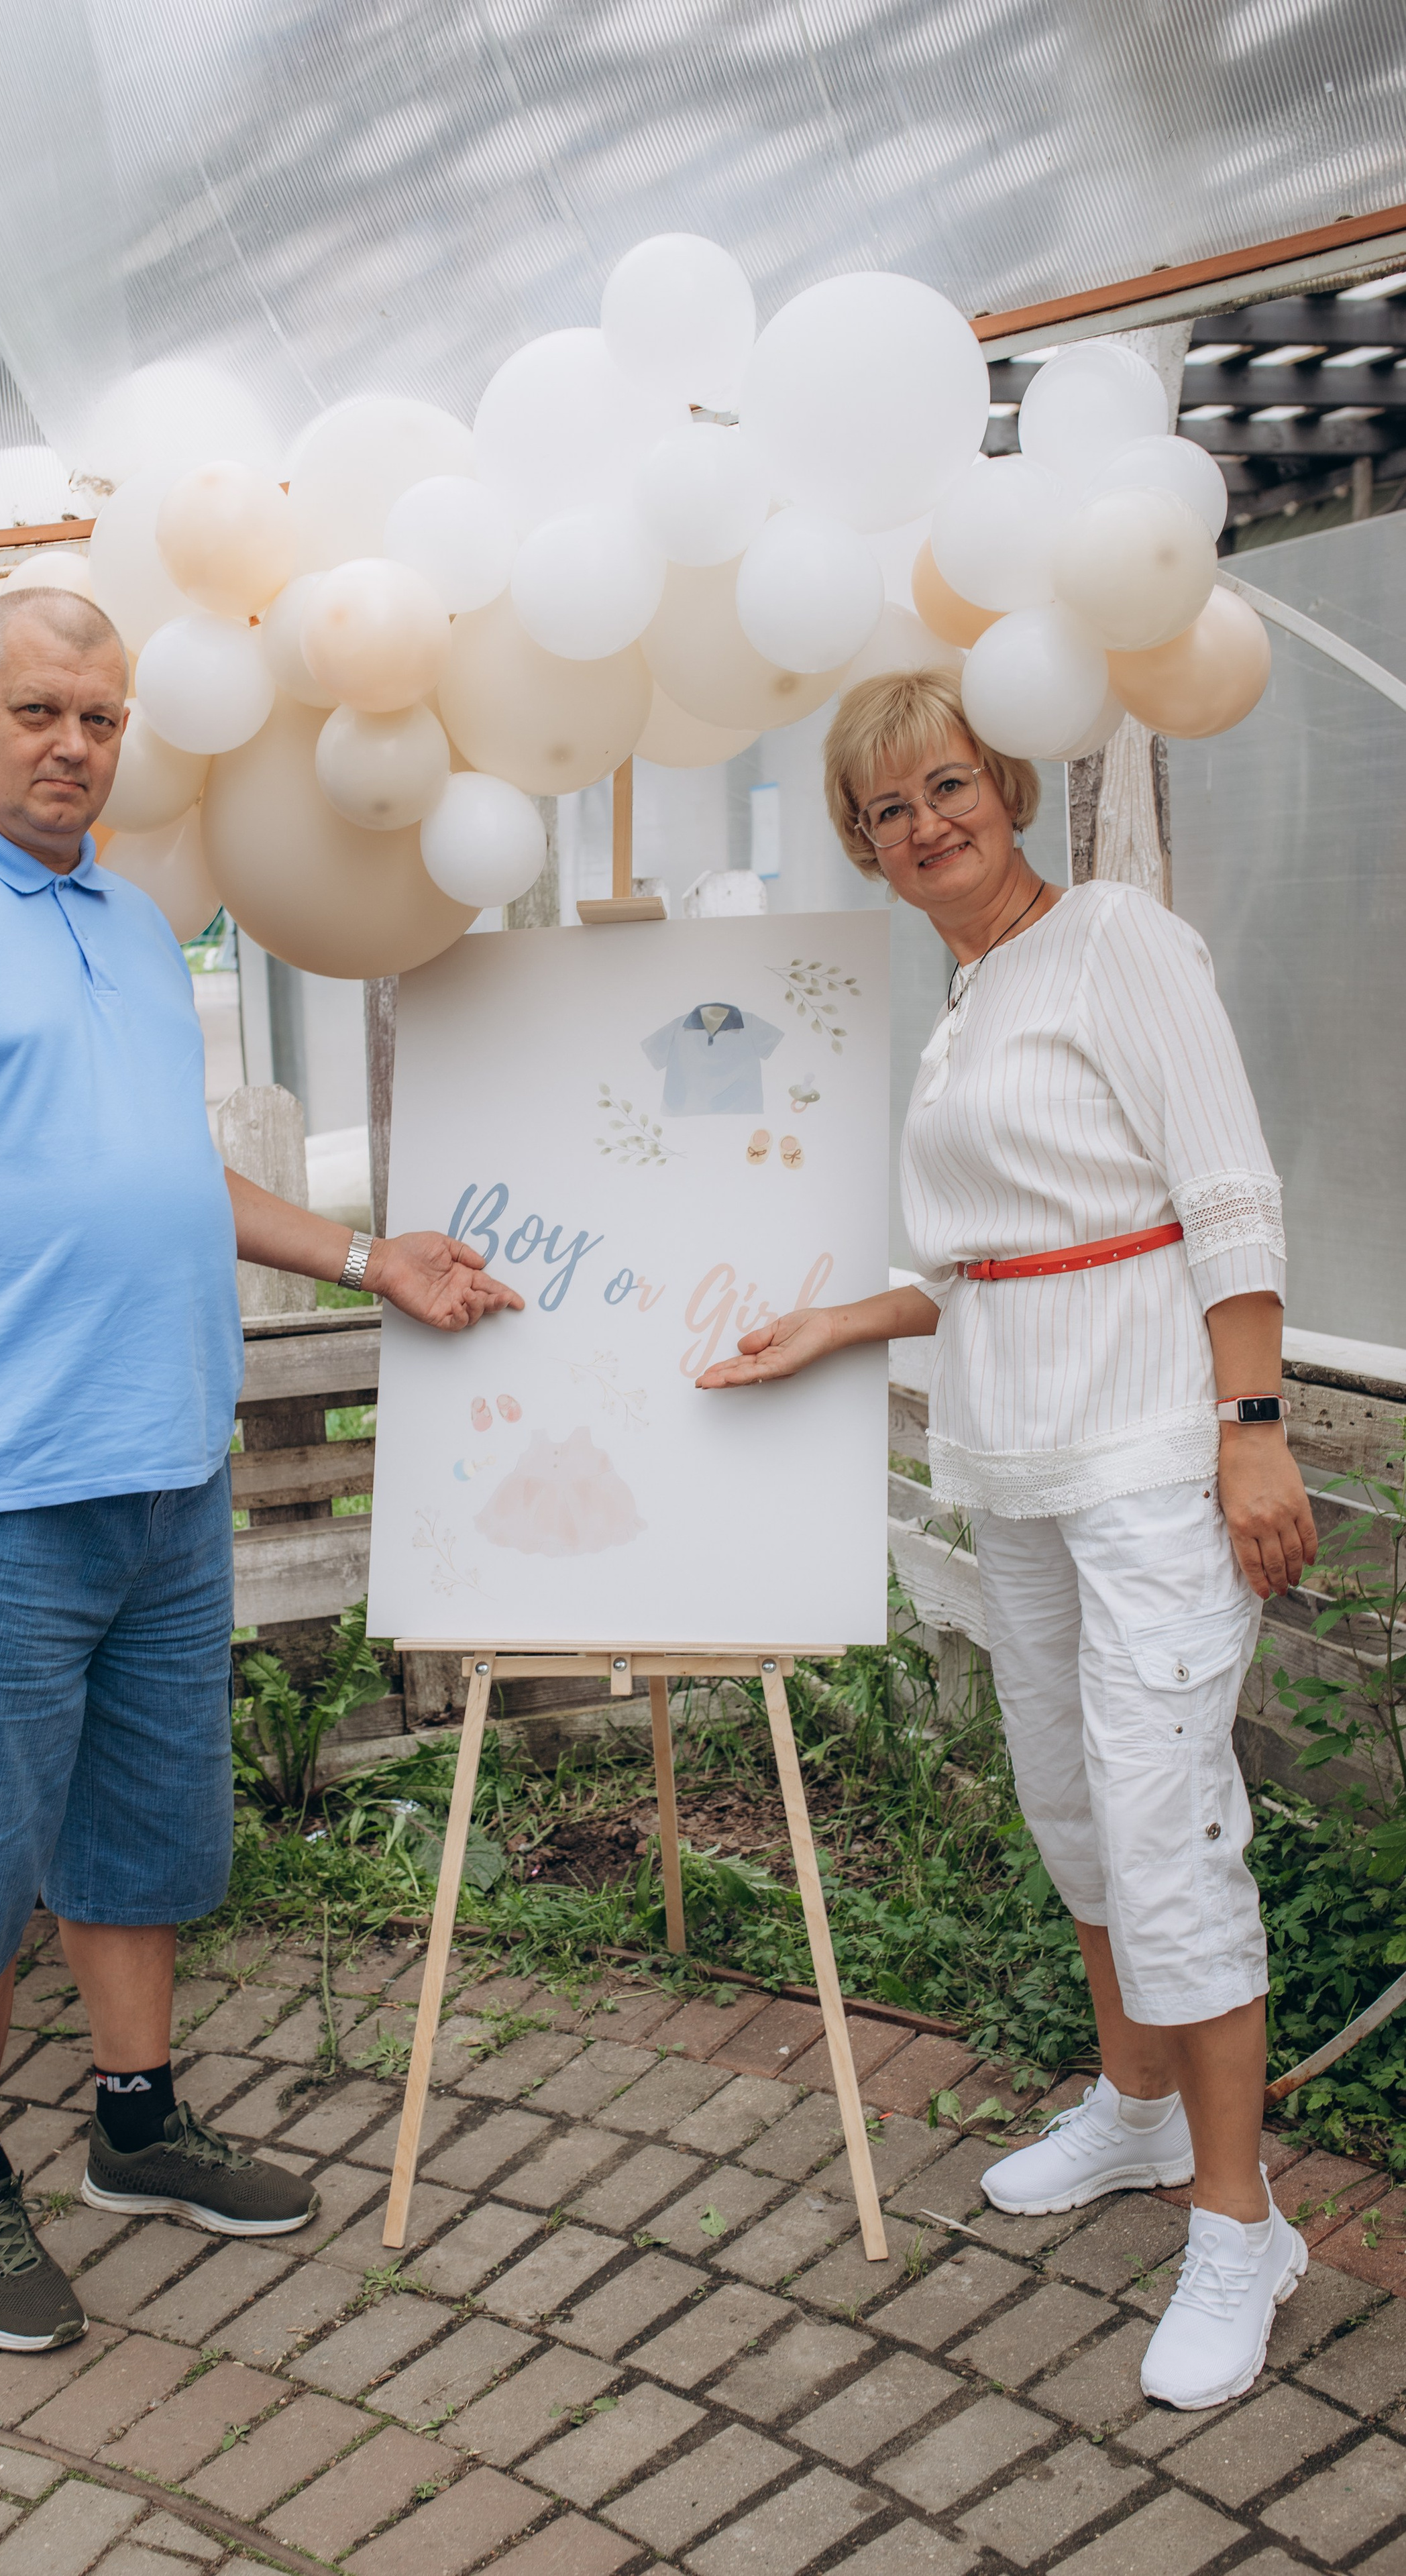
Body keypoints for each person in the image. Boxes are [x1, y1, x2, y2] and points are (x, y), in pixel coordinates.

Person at [0, 585, 522, 2356]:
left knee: (144, 1828)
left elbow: (173, 1170)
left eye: (99, 720)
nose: (72, 745)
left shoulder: (129, 918)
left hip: (165, 1471)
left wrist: (365, 1257)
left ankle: (136, 2124)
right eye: (39, 712)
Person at [700, 667, 1317, 2413]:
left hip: (1148, 1462)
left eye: (947, 787)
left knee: (1165, 1818)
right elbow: (999, 1255)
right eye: (885, 812)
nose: (923, 827)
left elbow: (1228, 1190)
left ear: (1012, 790)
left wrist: (1254, 1429)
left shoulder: (1115, 938)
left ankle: (1238, 2220)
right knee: (1068, 1793)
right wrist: (835, 1328)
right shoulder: (971, 996)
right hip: (1015, 1462)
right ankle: (1133, 2110)